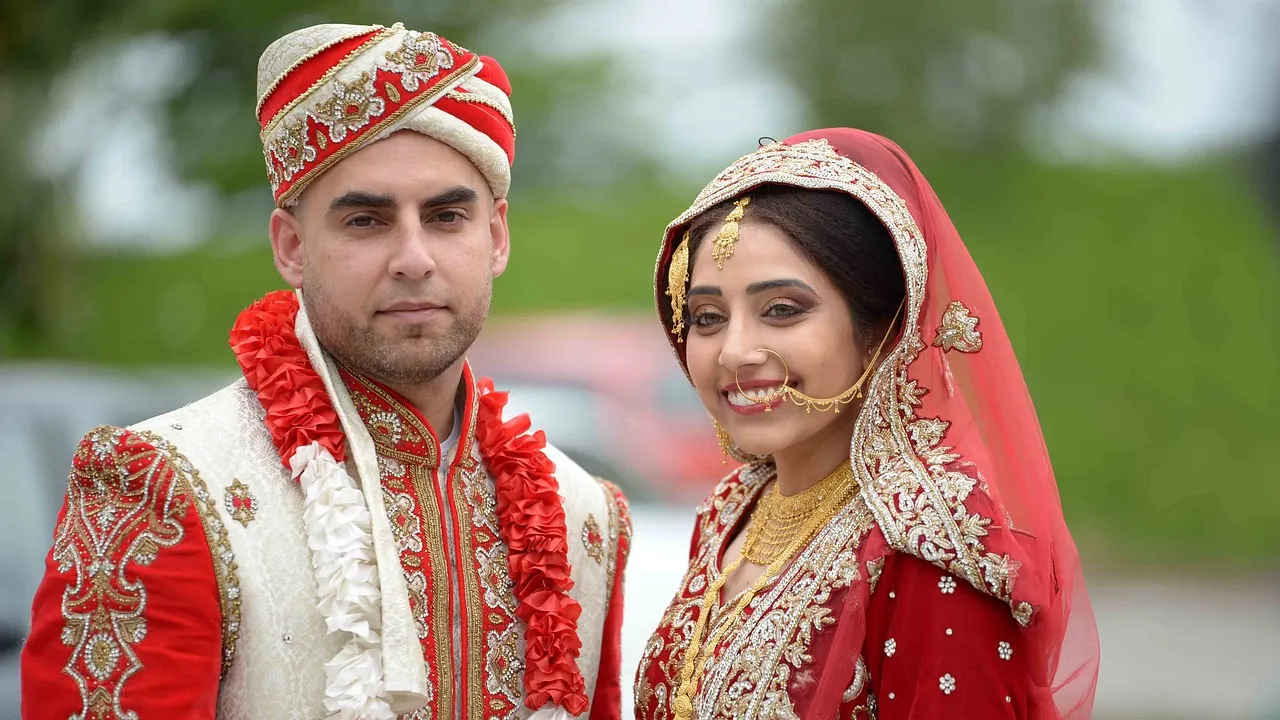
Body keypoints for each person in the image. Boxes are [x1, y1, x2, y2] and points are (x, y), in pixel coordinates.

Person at [21, 21, 631, 720]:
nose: (413, 257)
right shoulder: (166, 487)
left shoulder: (585, 517)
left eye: (446, 216)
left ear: (495, 237)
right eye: (366, 221)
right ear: (291, 246)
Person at [634, 129, 1100, 719]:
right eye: (707, 317)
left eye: (782, 310)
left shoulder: (928, 555)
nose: (734, 351)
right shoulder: (731, 512)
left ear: (880, 333)